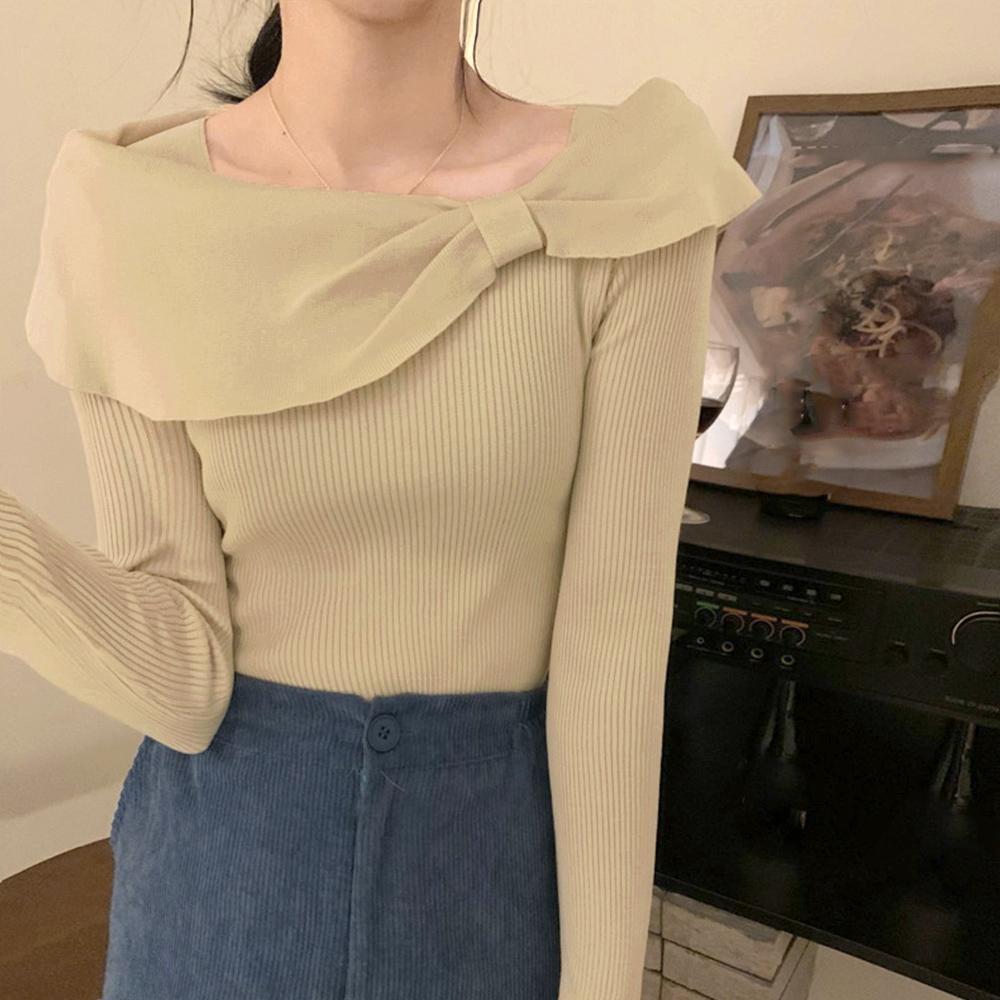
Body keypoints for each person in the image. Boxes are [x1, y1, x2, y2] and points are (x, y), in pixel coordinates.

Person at [1, 1, 762, 997]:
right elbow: (182, 680)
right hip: (218, 890)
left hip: (487, 887)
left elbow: (612, 650)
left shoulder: (624, 190)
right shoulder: (129, 208)